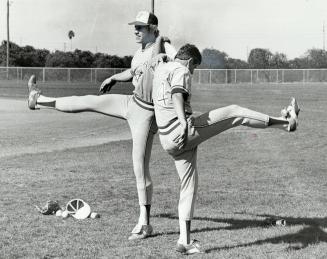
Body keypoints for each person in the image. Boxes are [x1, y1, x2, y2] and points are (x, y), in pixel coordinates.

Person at [27, 10, 177, 240]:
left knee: (139, 166)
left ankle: (145, 223)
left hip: (147, 113)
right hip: (132, 102)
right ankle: (39, 100)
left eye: (140, 27)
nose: (135, 30)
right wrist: (114, 77)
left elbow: (171, 64)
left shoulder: (164, 46)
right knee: (89, 100)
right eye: (135, 27)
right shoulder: (141, 51)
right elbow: (135, 71)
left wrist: (161, 40)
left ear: (153, 29)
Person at [149, 44, 300, 254]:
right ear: (191, 62)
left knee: (189, 185)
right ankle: (286, 123)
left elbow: (171, 50)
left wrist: (162, 41)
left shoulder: (162, 67)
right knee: (234, 112)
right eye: (195, 67)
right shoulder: (182, 69)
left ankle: (185, 241)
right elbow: (176, 93)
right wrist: (183, 122)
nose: (193, 72)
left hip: (166, 140)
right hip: (180, 130)